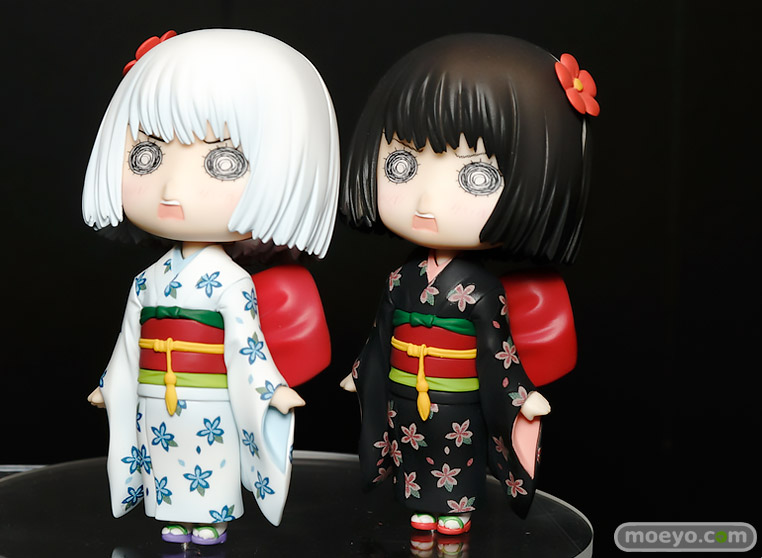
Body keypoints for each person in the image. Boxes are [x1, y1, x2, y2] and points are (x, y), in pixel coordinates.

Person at [82, 28, 339, 545]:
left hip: (210, 396)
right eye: (147, 156)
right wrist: (113, 384)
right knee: (165, 462)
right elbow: (129, 344)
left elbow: (247, 346)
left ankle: (211, 518)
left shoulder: (232, 281)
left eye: (223, 163)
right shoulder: (147, 280)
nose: (172, 188)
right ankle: (174, 517)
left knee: (210, 462)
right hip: (155, 395)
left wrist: (270, 390)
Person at [339, 33, 597, 535]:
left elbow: (498, 350)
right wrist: (362, 370)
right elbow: (380, 334)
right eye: (401, 165)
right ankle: (419, 504)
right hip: (403, 391)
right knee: (413, 449)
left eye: (476, 177)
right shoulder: (400, 278)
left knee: (454, 450)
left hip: (459, 397)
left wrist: (521, 396)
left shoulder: (481, 289)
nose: (427, 201)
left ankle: (454, 508)